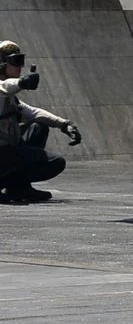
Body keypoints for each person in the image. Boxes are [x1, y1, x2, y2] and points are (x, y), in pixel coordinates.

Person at [0, 42, 80, 204]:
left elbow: (32, 112)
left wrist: (64, 124)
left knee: (39, 126)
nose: (20, 67)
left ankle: (19, 187)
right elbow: (4, 87)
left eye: (21, 61)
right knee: (53, 161)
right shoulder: (5, 88)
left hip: (7, 152)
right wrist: (22, 83)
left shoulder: (10, 98)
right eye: (16, 62)